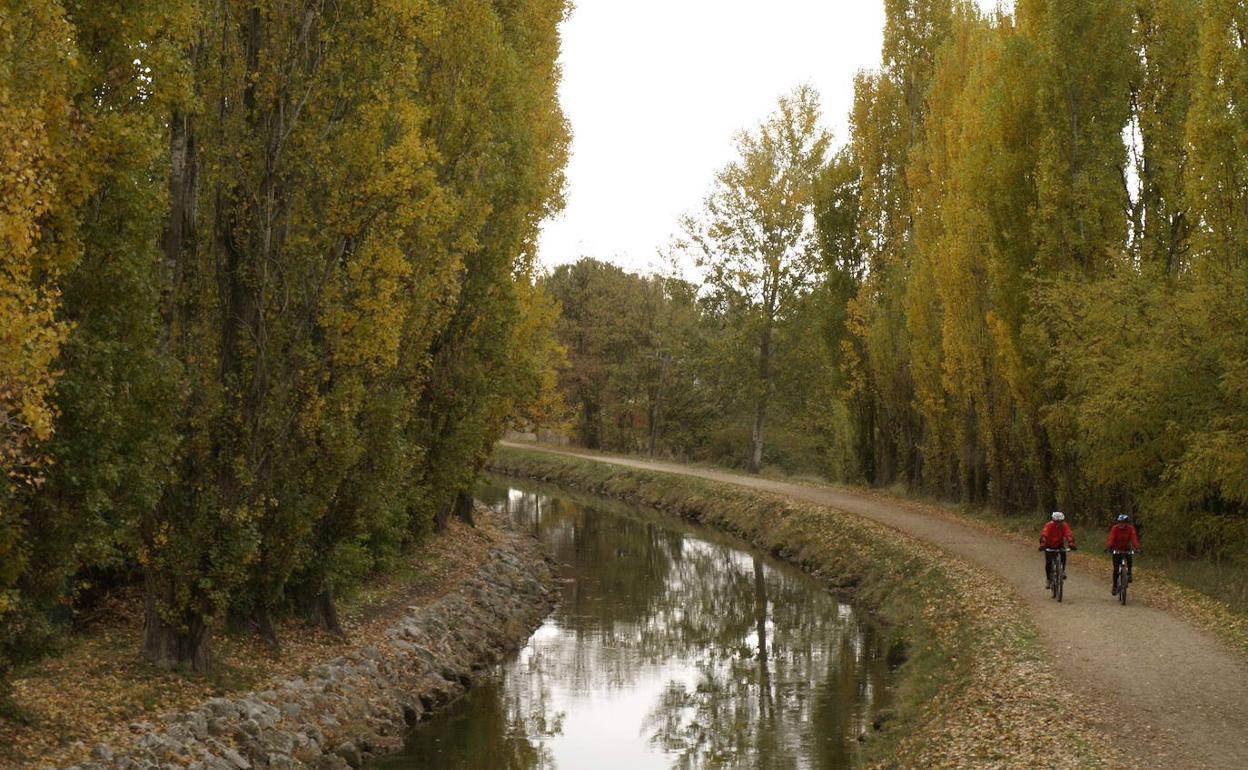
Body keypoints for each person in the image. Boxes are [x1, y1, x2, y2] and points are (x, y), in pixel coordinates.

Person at [1039, 511, 1076, 589]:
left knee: (1063, 554)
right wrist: (1042, 544)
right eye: (1057, 521)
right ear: (1053, 520)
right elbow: (1044, 535)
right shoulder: (1049, 525)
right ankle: (1048, 579)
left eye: (1060, 521)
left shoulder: (1064, 525)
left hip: (1059, 544)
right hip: (1048, 545)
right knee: (1048, 563)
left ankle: (1062, 570)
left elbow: (1068, 534)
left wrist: (1071, 543)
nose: (1058, 523)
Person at [1106, 514, 1141, 595]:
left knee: (1129, 558)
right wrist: (1109, 547)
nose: (1121, 524)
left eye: (1123, 522)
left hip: (1126, 549)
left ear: (1126, 523)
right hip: (1116, 549)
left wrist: (1137, 548)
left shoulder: (1130, 529)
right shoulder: (1115, 528)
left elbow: (1134, 539)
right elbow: (1111, 538)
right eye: (1120, 522)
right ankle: (1115, 586)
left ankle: (1129, 573)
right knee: (1115, 569)